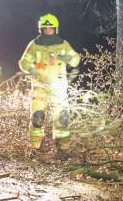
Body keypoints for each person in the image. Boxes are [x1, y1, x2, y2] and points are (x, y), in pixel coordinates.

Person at [18, 13, 80, 153]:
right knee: (37, 117)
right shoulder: (34, 44)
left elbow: (76, 60)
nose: (48, 31)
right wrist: (33, 69)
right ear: (41, 29)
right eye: (45, 29)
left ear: (55, 29)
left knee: (62, 118)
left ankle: (63, 149)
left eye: (50, 28)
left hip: (58, 86)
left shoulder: (63, 44)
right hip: (40, 86)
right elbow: (24, 62)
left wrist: (67, 57)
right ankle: (35, 148)